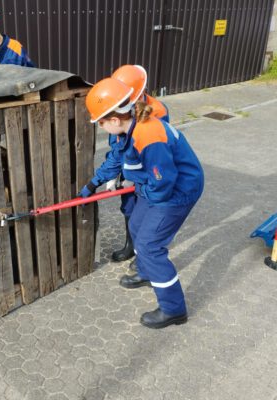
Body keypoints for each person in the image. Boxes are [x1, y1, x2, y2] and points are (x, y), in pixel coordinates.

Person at [80, 78, 204, 328]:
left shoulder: (148, 134)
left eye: (101, 122)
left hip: (178, 191)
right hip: (157, 186)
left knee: (149, 246)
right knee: (136, 225)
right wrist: (93, 184)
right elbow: (120, 161)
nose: (101, 127)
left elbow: (163, 182)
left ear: (115, 120)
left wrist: (138, 187)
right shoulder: (127, 128)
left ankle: (173, 309)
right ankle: (148, 273)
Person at [108, 65, 170, 263]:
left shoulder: (157, 112)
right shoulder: (120, 108)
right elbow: (117, 146)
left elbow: (152, 153)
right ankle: (130, 246)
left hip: (146, 171)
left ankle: (143, 254)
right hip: (128, 167)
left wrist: (136, 178)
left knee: (146, 211)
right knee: (128, 207)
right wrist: (113, 174)